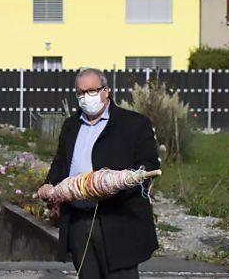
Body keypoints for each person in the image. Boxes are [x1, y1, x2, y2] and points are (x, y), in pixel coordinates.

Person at [38, 68, 160, 279]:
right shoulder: (71, 126)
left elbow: (147, 167)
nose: (86, 97)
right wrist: (49, 184)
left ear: (106, 91)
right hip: (78, 221)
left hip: (117, 221)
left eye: (92, 91)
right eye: (80, 93)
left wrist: (115, 185)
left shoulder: (134, 124)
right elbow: (60, 164)